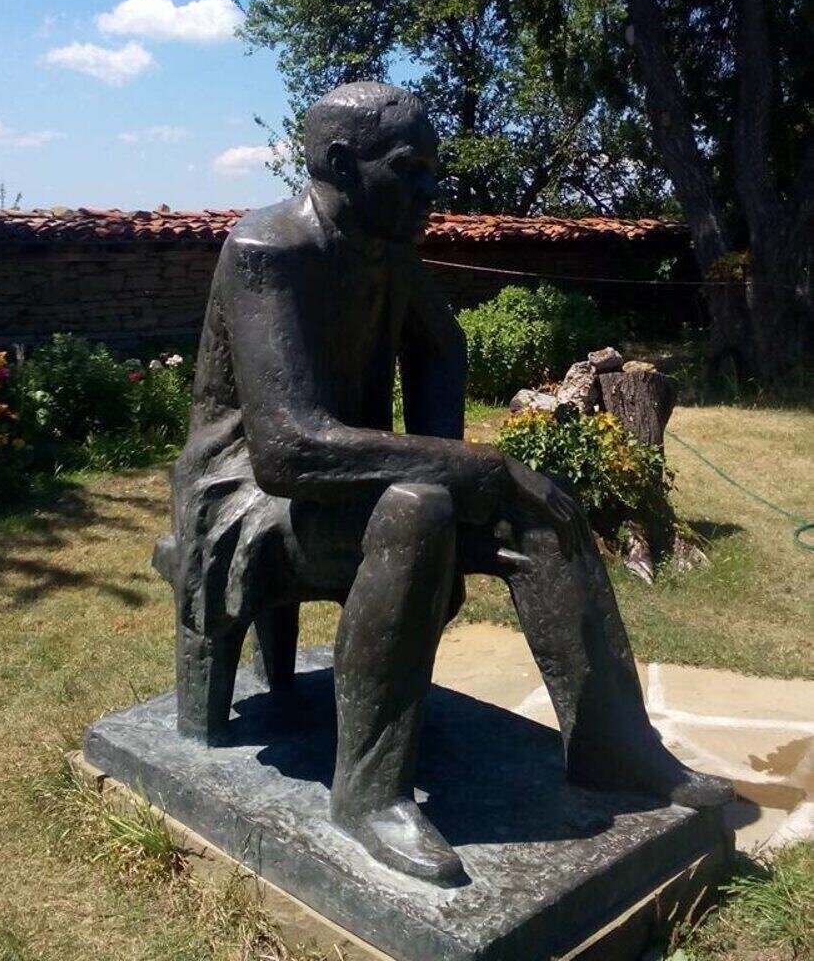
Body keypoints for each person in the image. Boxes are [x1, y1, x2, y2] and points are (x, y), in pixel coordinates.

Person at [164, 81, 731, 886]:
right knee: (422, 506)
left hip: (352, 479)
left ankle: (613, 744)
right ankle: (369, 795)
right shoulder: (269, 251)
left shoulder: (389, 250)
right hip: (250, 499)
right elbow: (287, 450)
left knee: (540, 506)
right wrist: (469, 469)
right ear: (341, 165)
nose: (432, 188)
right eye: (412, 169)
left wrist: (458, 465)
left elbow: (441, 344)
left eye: (434, 169)